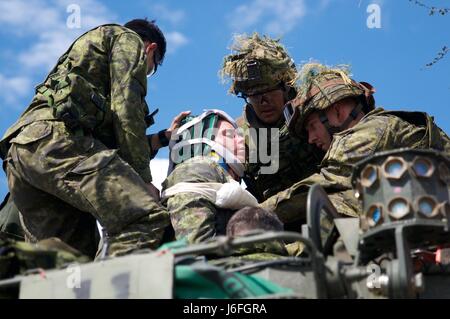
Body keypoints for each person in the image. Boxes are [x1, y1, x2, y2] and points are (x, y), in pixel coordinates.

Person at [0, 19, 188, 258]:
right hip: (58, 143)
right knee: (144, 216)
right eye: (151, 68)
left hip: (24, 154)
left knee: (66, 260)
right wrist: (143, 180)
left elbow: (109, 143)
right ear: (150, 49)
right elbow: (126, 108)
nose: (147, 72)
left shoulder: (88, 61)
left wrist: (162, 138)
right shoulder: (127, 40)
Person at [261, 63, 450, 222]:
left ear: (337, 111)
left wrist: (252, 213)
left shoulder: (371, 130)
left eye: (312, 126)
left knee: (333, 205)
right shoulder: (382, 127)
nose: (311, 138)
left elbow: (323, 186)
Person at [220, 33, 323, 204]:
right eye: (254, 95)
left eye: (268, 91)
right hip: (272, 222)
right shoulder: (239, 136)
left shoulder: (313, 113)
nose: (263, 102)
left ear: (286, 87)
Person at [161, 109, 258, 244]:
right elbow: (197, 250)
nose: (241, 139)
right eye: (231, 135)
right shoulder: (196, 170)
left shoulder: (224, 185)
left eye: (240, 135)